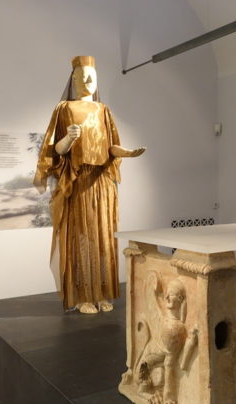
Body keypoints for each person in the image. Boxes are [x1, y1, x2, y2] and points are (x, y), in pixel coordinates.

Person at [34, 56, 145, 313]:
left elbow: (111, 147)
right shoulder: (64, 108)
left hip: (102, 183)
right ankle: (83, 295)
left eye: (91, 76)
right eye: (82, 76)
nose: (87, 80)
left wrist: (127, 153)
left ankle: (102, 293)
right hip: (79, 182)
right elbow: (55, 149)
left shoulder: (103, 110)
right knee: (81, 237)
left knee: (103, 236)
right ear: (73, 79)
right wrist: (69, 139)